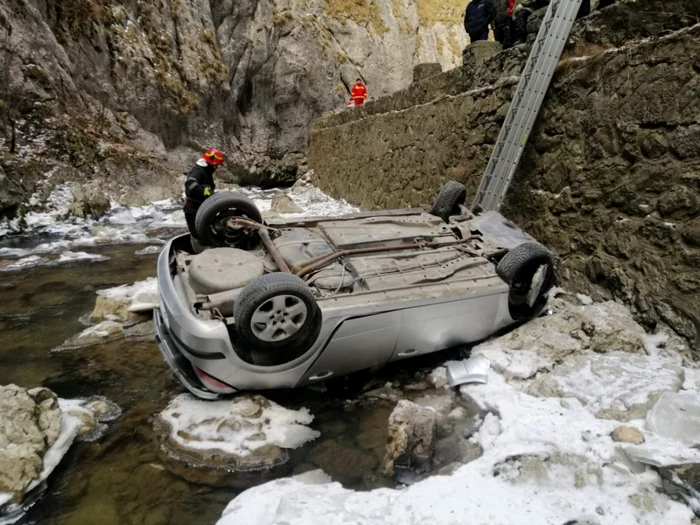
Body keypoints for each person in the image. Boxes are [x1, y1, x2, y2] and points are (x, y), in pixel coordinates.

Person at [183, 148, 225, 239]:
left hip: (203, 209)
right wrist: (205, 190)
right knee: (199, 237)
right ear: (210, 162)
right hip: (193, 211)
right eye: (216, 165)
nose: (216, 167)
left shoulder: (206, 171)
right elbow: (190, 187)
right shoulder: (197, 171)